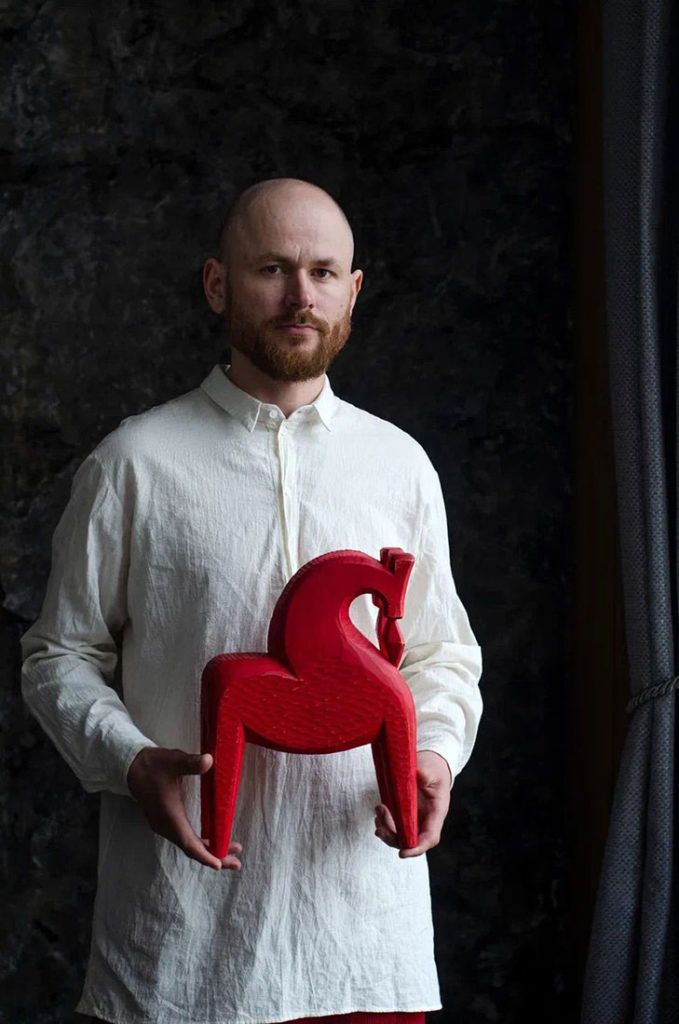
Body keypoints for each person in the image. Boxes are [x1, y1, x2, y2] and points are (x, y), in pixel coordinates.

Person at [20, 177, 484, 1024]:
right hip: (178, 952)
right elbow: (60, 654)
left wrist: (434, 754)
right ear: (216, 284)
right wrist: (126, 756)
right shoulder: (135, 461)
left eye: (322, 271)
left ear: (352, 289)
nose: (300, 296)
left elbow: (438, 653)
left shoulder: (399, 465)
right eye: (272, 268)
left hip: (363, 949)